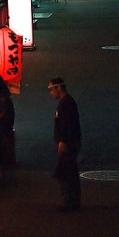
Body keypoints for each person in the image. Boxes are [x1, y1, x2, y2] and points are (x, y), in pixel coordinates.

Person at [48, 77, 82, 211]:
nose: (51, 93)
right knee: (68, 171)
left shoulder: (66, 103)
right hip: (69, 141)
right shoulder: (66, 102)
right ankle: (70, 200)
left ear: (58, 88)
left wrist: (63, 141)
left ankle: (70, 201)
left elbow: (67, 124)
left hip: (68, 142)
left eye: (51, 89)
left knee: (66, 172)